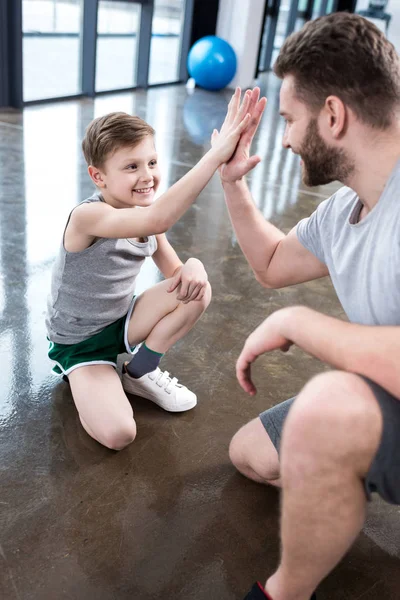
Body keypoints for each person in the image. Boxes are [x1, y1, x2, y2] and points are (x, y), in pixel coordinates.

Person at [213, 13, 400, 600]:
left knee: (325, 410)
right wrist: (232, 184)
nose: (288, 138)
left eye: (291, 120)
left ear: (335, 116)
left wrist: (297, 321)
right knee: (252, 454)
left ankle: (283, 594)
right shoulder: (345, 211)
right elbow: (271, 264)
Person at [46, 99, 251, 451]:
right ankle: (88, 380)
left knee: (196, 289)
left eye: (152, 162)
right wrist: (214, 156)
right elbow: (158, 219)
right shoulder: (87, 217)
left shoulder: (146, 219)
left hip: (122, 323)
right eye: (131, 166)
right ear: (99, 176)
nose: (147, 176)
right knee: (119, 435)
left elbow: (177, 273)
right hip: (79, 344)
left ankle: (140, 370)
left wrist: (195, 265)